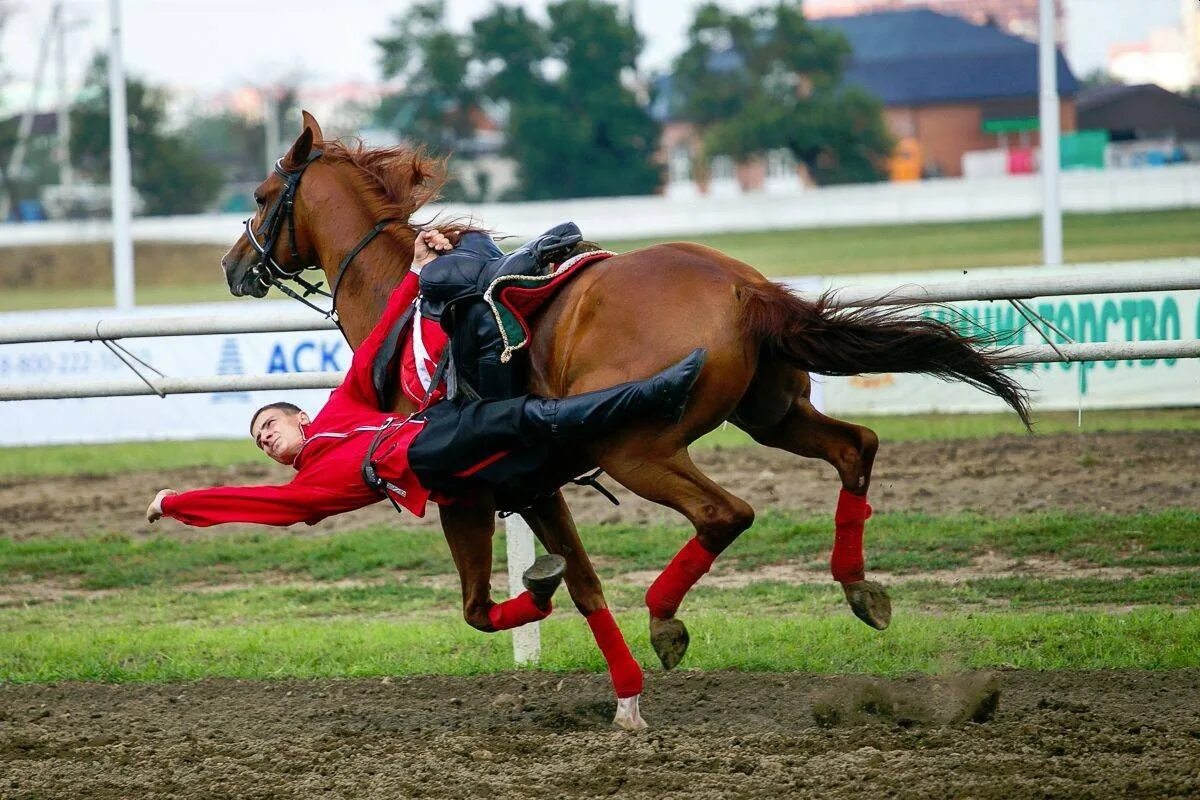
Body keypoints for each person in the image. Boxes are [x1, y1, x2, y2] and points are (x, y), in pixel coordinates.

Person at [146, 229, 707, 628]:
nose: (265, 436)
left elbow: (378, 339)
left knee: (465, 317)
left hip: (439, 424)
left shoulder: (344, 405)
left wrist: (414, 272)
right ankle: (654, 393)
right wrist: (176, 503)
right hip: (425, 458)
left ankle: (515, 264)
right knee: (525, 419)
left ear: (301, 416)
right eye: (259, 440)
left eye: (268, 422)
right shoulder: (306, 491)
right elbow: (247, 504)